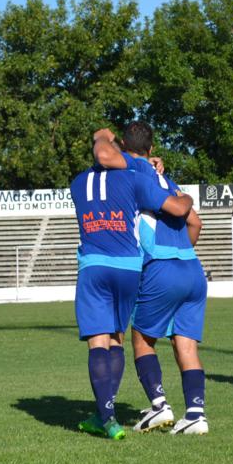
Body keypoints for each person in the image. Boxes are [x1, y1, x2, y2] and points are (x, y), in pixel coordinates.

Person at [70, 147, 194, 440]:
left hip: (94, 266)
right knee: (117, 339)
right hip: (129, 268)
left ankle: (107, 418)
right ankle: (105, 414)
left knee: (98, 342)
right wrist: (154, 172)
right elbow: (179, 210)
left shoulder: (77, 183)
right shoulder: (134, 179)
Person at [93, 123, 209, 435]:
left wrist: (102, 136)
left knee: (142, 338)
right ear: (152, 148)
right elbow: (196, 224)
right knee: (185, 343)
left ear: (123, 146)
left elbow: (104, 156)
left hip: (160, 267)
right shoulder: (165, 180)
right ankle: (196, 414)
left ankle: (159, 406)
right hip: (192, 269)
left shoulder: (132, 171)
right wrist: (180, 251)